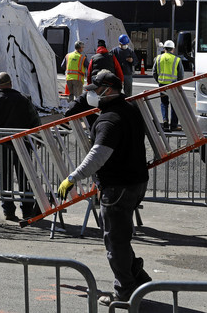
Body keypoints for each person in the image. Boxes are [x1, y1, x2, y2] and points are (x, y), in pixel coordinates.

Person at [56, 70, 151, 305]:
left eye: (95, 91)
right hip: (136, 182)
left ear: (107, 90)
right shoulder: (130, 109)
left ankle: (125, 292)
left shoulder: (109, 119)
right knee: (122, 237)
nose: (91, 95)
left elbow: (99, 155)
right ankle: (138, 277)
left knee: (115, 242)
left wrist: (73, 177)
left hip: (118, 187)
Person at [0, 72, 41, 222]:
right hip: (22, 144)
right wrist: (38, 139)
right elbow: (34, 119)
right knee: (25, 177)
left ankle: (8, 211)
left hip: (0, 145)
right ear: (11, 83)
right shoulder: (24, 99)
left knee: (5, 178)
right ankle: (27, 210)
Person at [152, 40, 184, 131]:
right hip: (173, 85)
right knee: (174, 105)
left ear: (164, 49)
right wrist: (178, 83)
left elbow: (154, 72)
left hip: (162, 84)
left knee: (164, 103)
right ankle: (174, 125)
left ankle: (165, 122)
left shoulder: (158, 58)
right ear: (173, 49)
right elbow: (181, 74)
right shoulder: (177, 59)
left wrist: (159, 81)